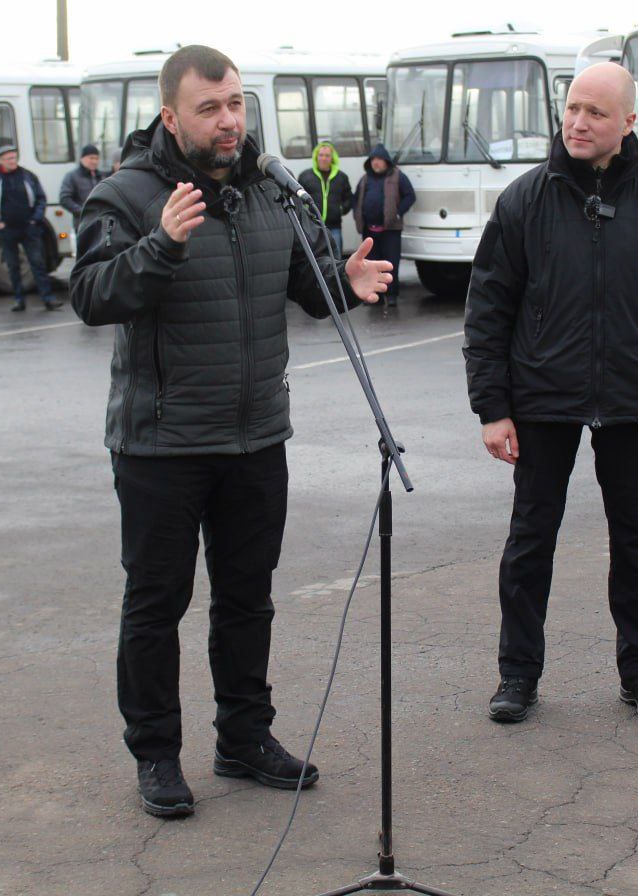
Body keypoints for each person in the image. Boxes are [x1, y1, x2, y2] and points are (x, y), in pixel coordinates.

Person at [69, 45, 392, 819]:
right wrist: (161, 246)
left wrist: (340, 283)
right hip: (162, 444)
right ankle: (156, 757)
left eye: (237, 105)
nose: (228, 121)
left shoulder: (272, 190)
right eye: (210, 108)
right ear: (171, 116)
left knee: (248, 599)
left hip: (255, 438)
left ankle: (244, 739)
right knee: (157, 604)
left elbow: (305, 285)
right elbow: (90, 294)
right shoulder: (125, 194)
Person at [463, 63, 638, 726]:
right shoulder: (524, 202)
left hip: (637, 401)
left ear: (630, 123)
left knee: (637, 540)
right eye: (573, 108)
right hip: (542, 399)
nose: (579, 123)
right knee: (530, 540)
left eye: (597, 113)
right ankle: (517, 675)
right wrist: (493, 407)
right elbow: (488, 311)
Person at [0, 145, 61, 311]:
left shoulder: (28, 176)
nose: (12, 161)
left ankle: (48, 298)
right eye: (9, 158)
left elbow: (41, 198)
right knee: (13, 266)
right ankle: (19, 299)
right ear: (0, 160)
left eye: (14, 157)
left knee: (37, 263)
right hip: (6, 230)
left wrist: (35, 219)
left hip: (29, 228)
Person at [354, 144, 414, 307]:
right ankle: (376, 296)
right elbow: (356, 200)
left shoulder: (398, 176)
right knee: (371, 265)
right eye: (373, 159)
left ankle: (392, 295)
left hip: (390, 230)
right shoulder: (365, 179)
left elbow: (410, 196)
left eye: (379, 159)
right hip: (369, 230)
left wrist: (397, 213)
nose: (376, 163)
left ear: (386, 161)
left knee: (390, 264)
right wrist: (358, 217)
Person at [298, 139, 352, 257]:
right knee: (314, 259)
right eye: (321, 155)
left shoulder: (341, 177)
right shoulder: (305, 176)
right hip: (312, 227)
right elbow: (297, 199)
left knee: (336, 258)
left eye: (327, 155)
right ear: (316, 156)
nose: (323, 158)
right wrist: (306, 212)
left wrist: (341, 210)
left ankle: (336, 276)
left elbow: (349, 198)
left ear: (332, 158)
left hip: (334, 227)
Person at [59, 144, 104, 227]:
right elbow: (64, 199)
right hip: (82, 224)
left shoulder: (101, 176)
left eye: (97, 158)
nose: (94, 161)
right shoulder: (72, 176)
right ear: (82, 159)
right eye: (91, 158)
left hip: (101, 224)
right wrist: (82, 212)